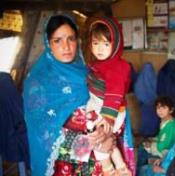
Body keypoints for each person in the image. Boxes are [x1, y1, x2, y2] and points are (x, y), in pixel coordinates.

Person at [23, 14, 115, 176]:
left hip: (98, 159)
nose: (66, 47)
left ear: (77, 41)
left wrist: (105, 131)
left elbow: (108, 107)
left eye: (71, 39)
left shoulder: (89, 73)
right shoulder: (37, 83)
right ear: (48, 44)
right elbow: (43, 135)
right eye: (57, 41)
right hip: (62, 164)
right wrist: (90, 143)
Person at [83, 16, 134, 175]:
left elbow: (115, 92)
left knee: (99, 139)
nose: (100, 49)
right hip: (102, 106)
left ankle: (109, 169)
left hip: (110, 110)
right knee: (104, 138)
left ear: (116, 44)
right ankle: (121, 167)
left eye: (106, 44)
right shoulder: (101, 64)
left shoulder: (116, 67)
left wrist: (107, 117)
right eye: (95, 43)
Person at [137, 96, 175, 175]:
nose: (160, 111)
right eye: (158, 108)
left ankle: (138, 170)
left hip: (165, 154)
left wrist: (150, 146)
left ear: (171, 110)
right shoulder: (165, 121)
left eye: (164, 108)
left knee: (140, 154)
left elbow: (165, 145)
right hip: (161, 150)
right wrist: (152, 140)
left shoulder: (172, 126)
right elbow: (161, 137)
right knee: (141, 148)